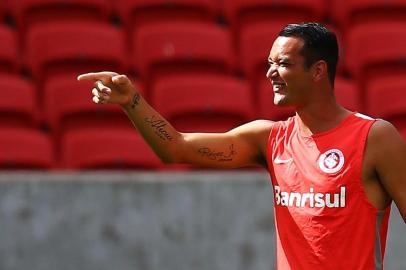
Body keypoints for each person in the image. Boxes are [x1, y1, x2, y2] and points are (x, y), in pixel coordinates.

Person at [77, 22, 406, 270]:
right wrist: (132, 101)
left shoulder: (375, 138)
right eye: (269, 63)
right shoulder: (269, 138)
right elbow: (176, 147)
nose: (271, 73)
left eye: (284, 64)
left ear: (318, 70)